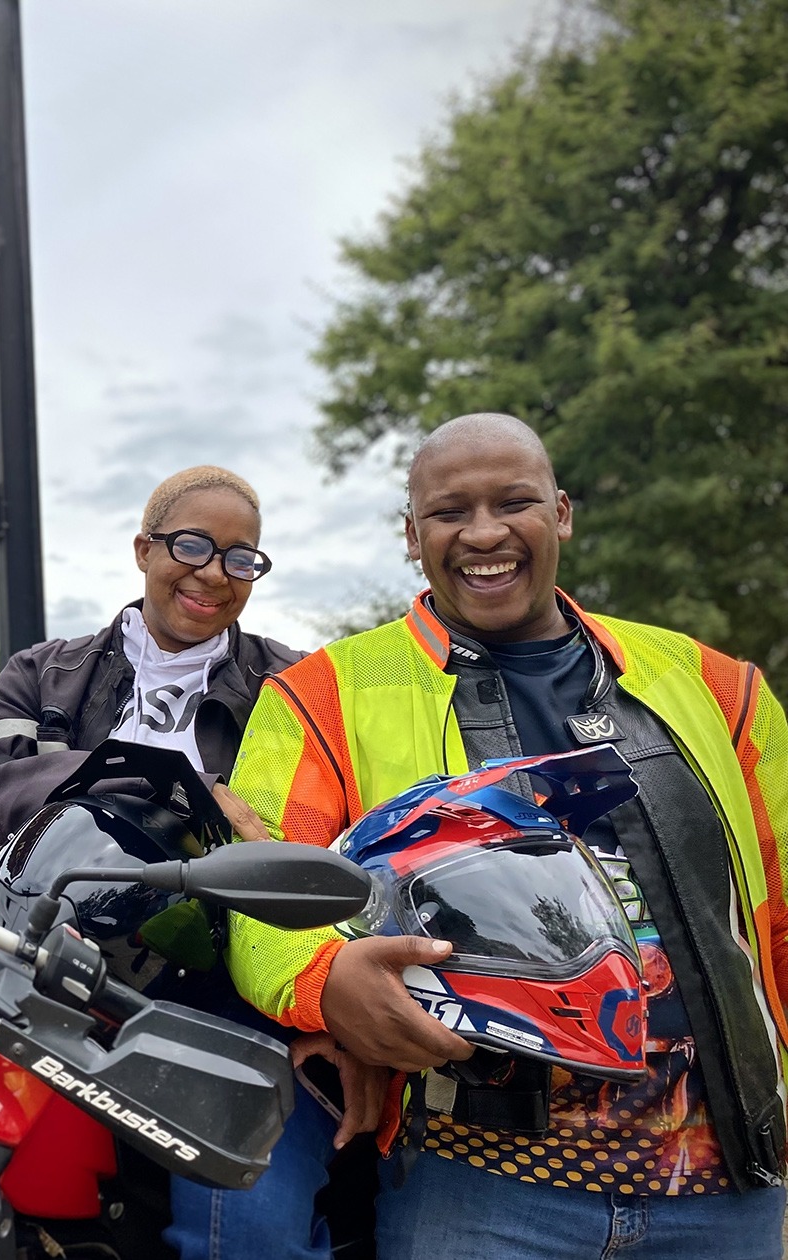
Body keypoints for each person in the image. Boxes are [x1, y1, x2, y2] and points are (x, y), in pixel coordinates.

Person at [225, 412, 788, 1259]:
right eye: (451, 512)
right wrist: (327, 981)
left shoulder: (718, 686)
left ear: (560, 514)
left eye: (514, 502)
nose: (485, 533)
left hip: (724, 1194)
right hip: (477, 1192)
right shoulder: (324, 694)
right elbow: (257, 893)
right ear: (412, 536)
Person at [0, 465, 383, 1260]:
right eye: (192, 546)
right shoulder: (44, 674)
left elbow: (349, 858)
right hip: (47, 971)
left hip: (237, 1001)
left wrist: (336, 1014)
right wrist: (176, 793)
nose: (215, 574)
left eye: (241, 558)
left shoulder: (297, 684)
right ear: (145, 549)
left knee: (245, 1238)